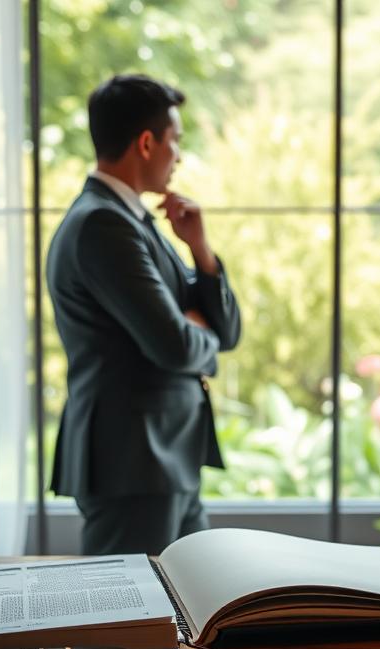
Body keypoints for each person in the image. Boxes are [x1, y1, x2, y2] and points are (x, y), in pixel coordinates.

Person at [46, 74, 241, 556]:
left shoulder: (133, 221)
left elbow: (227, 331)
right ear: (148, 142)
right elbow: (173, 345)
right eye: (175, 141)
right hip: (133, 462)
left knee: (194, 612)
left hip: (166, 458)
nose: (179, 155)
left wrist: (201, 250)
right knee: (125, 621)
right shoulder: (102, 225)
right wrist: (196, 331)